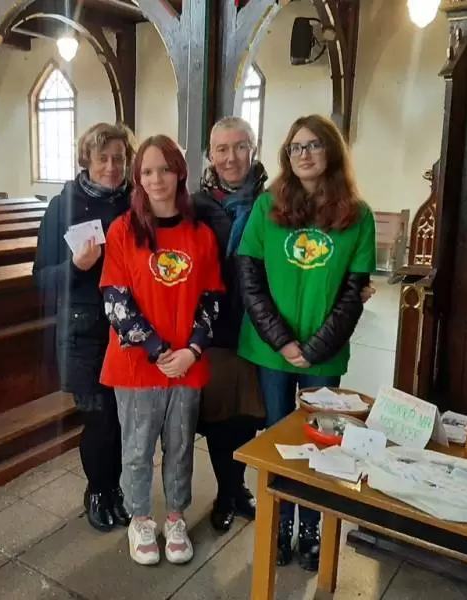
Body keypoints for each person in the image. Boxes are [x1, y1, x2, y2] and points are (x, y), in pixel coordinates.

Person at [236, 115, 377, 571]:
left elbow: (354, 291)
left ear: (331, 151)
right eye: (296, 147)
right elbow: (250, 279)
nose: (304, 154)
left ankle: (313, 525)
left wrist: (314, 349)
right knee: (279, 438)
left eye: (314, 145)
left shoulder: (358, 215)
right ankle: (279, 522)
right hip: (271, 349)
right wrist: (283, 342)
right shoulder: (267, 205)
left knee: (321, 440)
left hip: (325, 352)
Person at [99, 135, 224, 566]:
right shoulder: (123, 231)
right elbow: (115, 301)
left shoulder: (201, 234)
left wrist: (192, 350)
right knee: (137, 449)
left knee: (181, 445)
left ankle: (174, 517)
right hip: (137, 364)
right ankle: (139, 519)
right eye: (148, 171)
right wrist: (156, 349)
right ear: (138, 178)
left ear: (179, 174)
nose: (157, 179)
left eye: (165, 169)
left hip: (186, 364)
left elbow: (212, 298)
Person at [32, 122, 137, 533]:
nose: (111, 167)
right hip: (85, 331)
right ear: (86, 160)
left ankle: (115, 488)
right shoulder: (64, 205)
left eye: (119, 159)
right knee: (100, 418)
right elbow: (41, 278)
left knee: (123, 418)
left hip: (130, 329)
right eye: (102, 158)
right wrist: (76, 267)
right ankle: (97, 490)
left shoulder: (136, 204)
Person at [191, 117, 267, 533]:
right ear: (211, 155)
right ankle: (227, 492)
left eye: (240, 147)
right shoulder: (196, 206)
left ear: (253, 149)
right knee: (222, 417)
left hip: (260, 330)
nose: (231, 157)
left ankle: (237, 487)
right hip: (215, 331)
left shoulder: (272, 203)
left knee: (250, 416)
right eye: (222, 149)